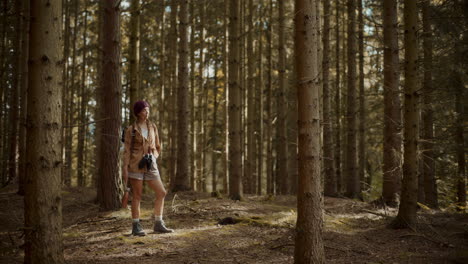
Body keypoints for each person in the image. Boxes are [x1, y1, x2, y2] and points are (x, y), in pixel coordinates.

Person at [122, 100, 174, 236]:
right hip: (135, 165)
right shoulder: (130, 130)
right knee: (137, 196)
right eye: (145, 110)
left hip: (151, 165)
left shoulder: (153, 127)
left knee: (161, 192)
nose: (147, 112)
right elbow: (127, 150)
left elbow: (157, 147)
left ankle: (158, 223)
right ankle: (136, 226)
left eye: (148, 109)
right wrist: (125, 168)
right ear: (138, 113)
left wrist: (153, 157)